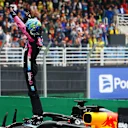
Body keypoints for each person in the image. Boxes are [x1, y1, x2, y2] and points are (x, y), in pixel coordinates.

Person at [9, 6, 43, 124]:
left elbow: (22, 27)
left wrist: (14, 15)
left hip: (29, 68)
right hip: (31, 65)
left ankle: (38, 114)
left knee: (32, 91)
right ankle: (37, 113)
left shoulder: (32, 39)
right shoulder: (37, 38)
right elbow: (28, 26)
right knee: (32, 91)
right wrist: (28, 17)